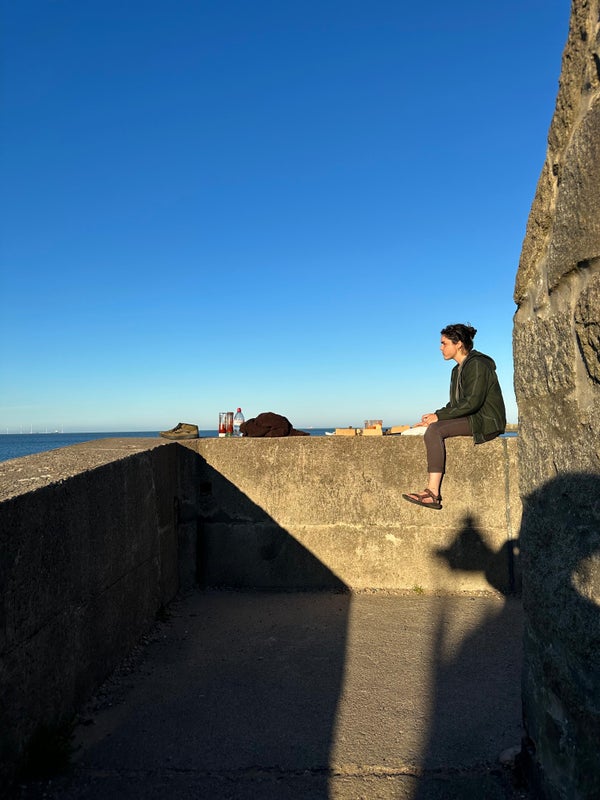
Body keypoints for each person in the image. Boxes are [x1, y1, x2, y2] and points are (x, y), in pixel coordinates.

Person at [402, 323, 506, 510]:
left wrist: (438, 419)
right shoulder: (456, 370)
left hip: (486, 420)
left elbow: (472, 402)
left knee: (435, 431)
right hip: (473, 416)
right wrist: (434, 416)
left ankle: (432, 493)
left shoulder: (477, 364)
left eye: (444, 343)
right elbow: (456, 404)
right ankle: (431, 492)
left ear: (458, 344)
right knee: (432, 426)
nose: (440, 347)